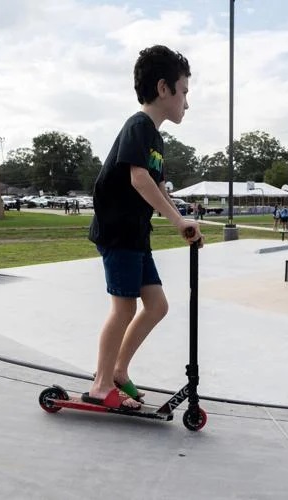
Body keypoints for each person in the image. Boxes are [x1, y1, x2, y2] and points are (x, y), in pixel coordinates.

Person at [85, 45, 202, 411]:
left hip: (136, 234)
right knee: (123, 308)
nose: (186, 102)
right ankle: (101, 385)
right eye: (184, 92)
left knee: (156, 305)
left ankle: (119, 371)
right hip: (118, 231)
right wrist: (178, 220)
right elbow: (138, 180)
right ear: (164, 88)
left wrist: (183, 222)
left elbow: (159, 188)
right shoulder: (138, 125)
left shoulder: (157, 138)